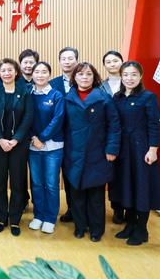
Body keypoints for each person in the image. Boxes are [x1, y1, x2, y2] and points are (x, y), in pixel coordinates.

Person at [64, 62, 120, 242]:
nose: (84, 77)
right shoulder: (67, 98)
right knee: (77, 194)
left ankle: (96, 230)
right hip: (74, 153)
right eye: (80, 74)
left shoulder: (104, 98)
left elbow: (114, 126)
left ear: (94, 77)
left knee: (96, 196)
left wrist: (111, 149)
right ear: (74, 77)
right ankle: (80, 227)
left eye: (88, 74)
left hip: (98, 152)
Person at [110, 61, 160, 246]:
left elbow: (154, 125)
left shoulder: (148, 97)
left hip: (141, 150)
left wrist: (153, 149)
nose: (129, 78)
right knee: (126, 187)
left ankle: (142, 229)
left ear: (140, 76)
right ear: (121, 76)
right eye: (126, 75)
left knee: (141, 188)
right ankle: (130, 224)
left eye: (134, 74)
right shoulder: (117, 97)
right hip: (123, 150)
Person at [0, 58, 33, 236]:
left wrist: (15, 140)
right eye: (3, 70)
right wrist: (0, 139)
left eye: (10, 70)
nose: (7, 73)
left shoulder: (25, 92)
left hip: (18, 145)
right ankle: (1, 217)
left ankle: (14, 220)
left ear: (16, 72)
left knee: (17, 183)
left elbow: (28, 117)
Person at [28, 61, 65, 234]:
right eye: (37, 72)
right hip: (33, 146)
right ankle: (38, 215)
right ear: (32, 75)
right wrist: (33, 138)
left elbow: (58, 120)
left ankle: (50, 218)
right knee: (36, 183)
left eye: (44, 72)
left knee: (51, 184)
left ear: (49, 74)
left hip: (53, 147)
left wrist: (41, 138)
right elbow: (25, 118)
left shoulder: (56, 95)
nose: (40, 75)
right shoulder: (28, 94)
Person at [49, 46, 79, 223]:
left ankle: (82, 210)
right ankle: (71, 209)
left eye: (70, 58)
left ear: (76, 60)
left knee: (79, 174)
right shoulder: (53, 84)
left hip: (80, 137)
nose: (67, 62)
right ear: (59, 62)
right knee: (66, 175)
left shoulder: (85, 80)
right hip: (59, 136)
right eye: (64, 59)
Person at [100, 50, 125, 224]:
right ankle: (117, 208)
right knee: (112, 173)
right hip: (108, 135)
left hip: (129, 135)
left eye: (115, 60)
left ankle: (129, 207)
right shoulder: (101, 86)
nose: (112, 64)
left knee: (126, 172)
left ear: (122, 62)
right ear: (104, 66)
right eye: (108, 62)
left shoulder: (130, 82)